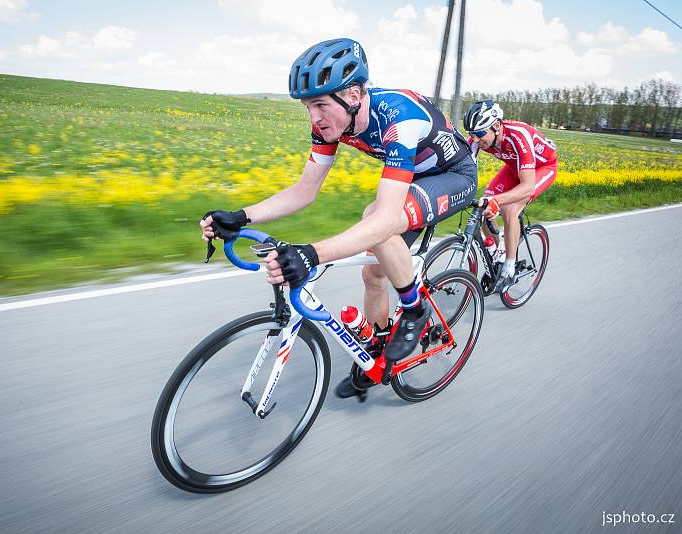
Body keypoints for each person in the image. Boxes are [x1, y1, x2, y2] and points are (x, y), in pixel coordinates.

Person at [201, 38, 478, 399]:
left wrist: (311, 254)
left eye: (319, 104)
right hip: (415, 177)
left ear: (352, 94)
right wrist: (240, 216)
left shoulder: (399, 117)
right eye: (307, 107)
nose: (314, 118)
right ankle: (379, 352)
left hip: (454, 176)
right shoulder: (331, 125)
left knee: (375, 217)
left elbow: (385, 220)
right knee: (372, 272)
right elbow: (304, 191)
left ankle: (415, 308)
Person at [463, 100, 558, 293]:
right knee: (483, 208)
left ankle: (509, 267)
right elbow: (464, 167)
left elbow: (527, 187)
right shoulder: (476, 139)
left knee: (510, 209)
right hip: (514, 169)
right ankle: (497, 254)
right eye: (472, 135)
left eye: (480, 134)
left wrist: (497, 200)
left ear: (496, 125)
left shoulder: (517, 136)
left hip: (542, 168)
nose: (476, 139)